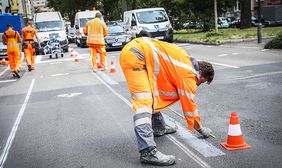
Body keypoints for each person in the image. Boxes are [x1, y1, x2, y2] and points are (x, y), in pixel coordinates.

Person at [119, 37, 214, 166]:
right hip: (137, 57)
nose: (197, 85)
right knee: (144, 103)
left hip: (137, 51)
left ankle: (158, 127)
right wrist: (201, 129)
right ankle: (148, 152)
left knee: (153, 94)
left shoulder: (184, 59)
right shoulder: (188, 75)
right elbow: (189, 107)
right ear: (200, 72)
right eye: (201, 81)